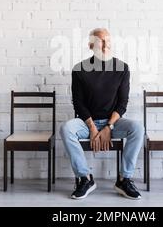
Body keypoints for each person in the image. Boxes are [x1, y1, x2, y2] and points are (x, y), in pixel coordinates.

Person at [60, 28, 144, 200]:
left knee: (137, 128)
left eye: (108, 41)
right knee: (66, 128)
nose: (105, 46)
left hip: (112, 123)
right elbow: (78, 104)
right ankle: (85, 178)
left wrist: (108, 126)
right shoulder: (79, 70)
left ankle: (124, 179)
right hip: (86, 122)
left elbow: (122, 104)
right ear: (91, 45)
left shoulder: (122, 68)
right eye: (100, 42)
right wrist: (91, 127)